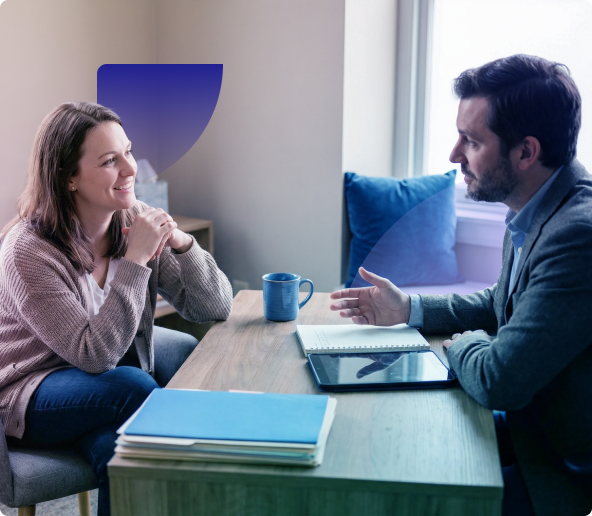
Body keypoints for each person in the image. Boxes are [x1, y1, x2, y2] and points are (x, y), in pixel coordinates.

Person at [330, 55, 592, 516]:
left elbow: (499, 380)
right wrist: (408, 308)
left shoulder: (577, 234)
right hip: (531, 436)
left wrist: (465, 344)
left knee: (397, 499)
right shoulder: (535, 207)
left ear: (525, 152)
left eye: (471, 141)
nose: (454, 155)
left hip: (560, 474)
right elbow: (499, 302)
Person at [0, 102, 233, 515]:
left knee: (120, 450)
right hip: (31, 392)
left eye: (128, 151)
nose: (130, 170)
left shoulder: (133, 222)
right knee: (134, 387)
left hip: (102, 388)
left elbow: (215, 306)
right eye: (110, 161)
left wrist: (180, 241)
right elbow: (94, 355)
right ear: (68, 177)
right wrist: (135, 262)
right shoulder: (27, 250)